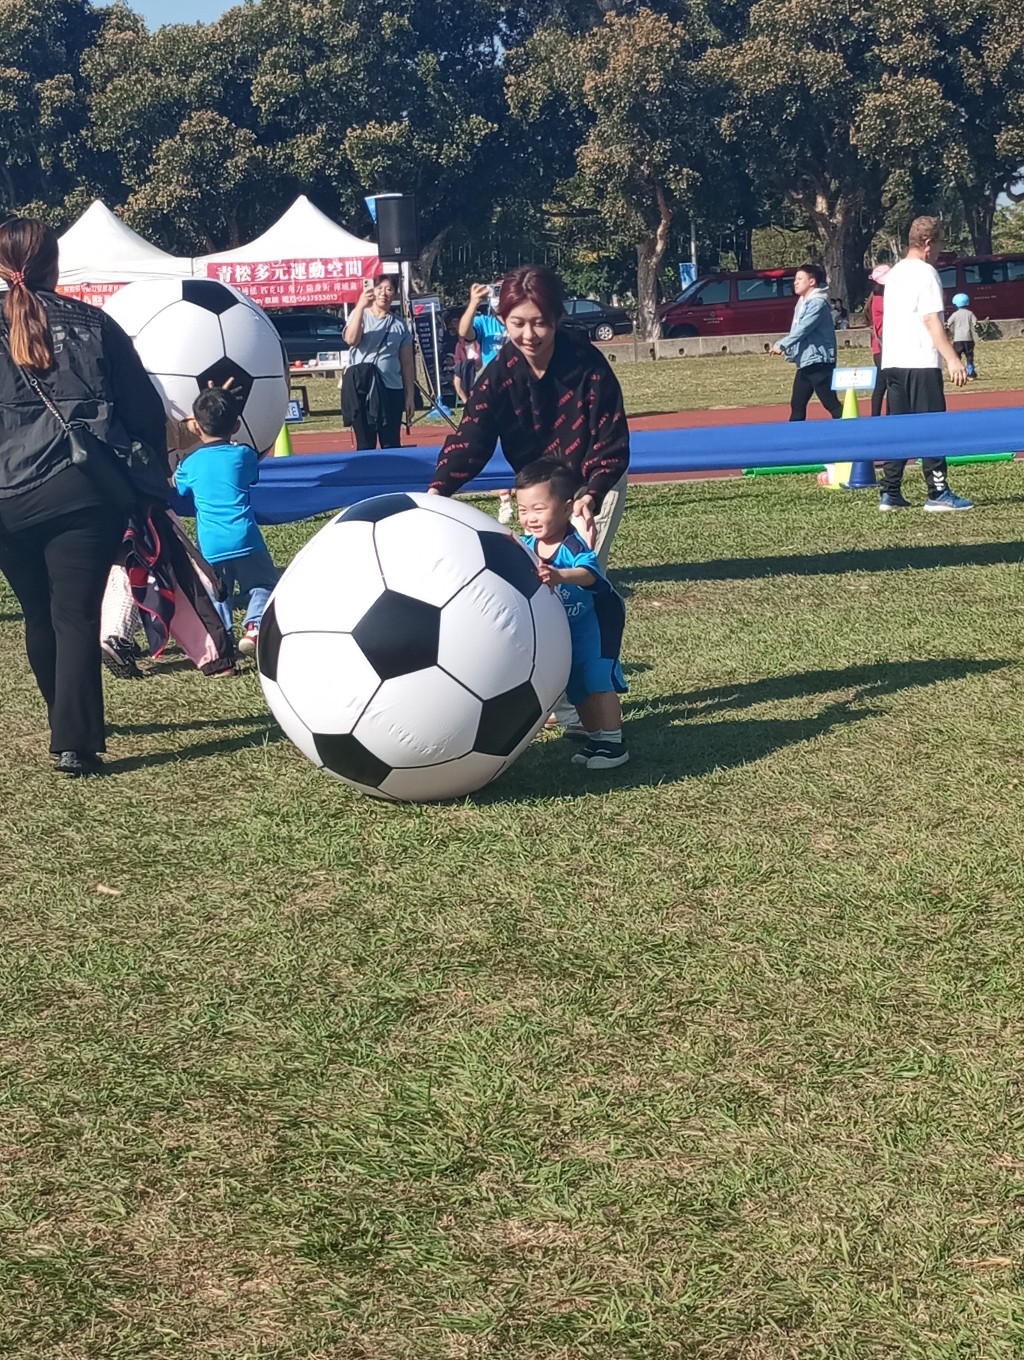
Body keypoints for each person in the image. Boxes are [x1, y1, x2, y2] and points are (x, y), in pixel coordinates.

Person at [0, 216, 169, 776]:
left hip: (5, 497)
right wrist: (147, 475)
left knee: (37, 611)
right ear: (55, 264)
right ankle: (74, 742)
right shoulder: (95, 324)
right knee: (74, 615)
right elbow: (143, 410)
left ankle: (63, 717)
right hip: (82, 488)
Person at [429, 265, 629, 569]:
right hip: (539, 489)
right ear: (502, 320)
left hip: (592, 481)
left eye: (539, 323)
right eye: (518, 323)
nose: (529, 335)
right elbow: (471, 437)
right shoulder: (499, 375)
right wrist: (438, 489)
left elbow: (610, 439)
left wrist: (591, 494)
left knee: (579, 577)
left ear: (557, 318)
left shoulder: (589, 365)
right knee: (539, 577)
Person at [515, 460, 628, 770]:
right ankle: (595, 738)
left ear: (566, 509)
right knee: (576, 685)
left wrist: (560, 576)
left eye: (538, 509)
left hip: (598, 623)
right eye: (523, 510)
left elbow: (590, 574)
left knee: (596, 679)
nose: (530, 518)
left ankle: (613, 743)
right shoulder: (527, 545)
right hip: (567, 630)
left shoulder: (572, 545)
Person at [173, 387, 279, 655]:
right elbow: (252, 476)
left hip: (210, 544)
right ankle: (254, 626)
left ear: (197, 428)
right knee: (264, 584)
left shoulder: (190, 463)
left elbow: (178, 486)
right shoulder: (244, 455)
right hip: (245, 537)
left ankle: (223, 642)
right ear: (237, 425)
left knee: (218, 594)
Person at [879, 216, 970, 511]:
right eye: (940, 243)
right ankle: (938, 492)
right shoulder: (926, 272)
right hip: (920, 361)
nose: (941, 251)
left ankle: (890, 492)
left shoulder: (894, 274)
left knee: (899, 428)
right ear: (928, 243)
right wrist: (952, 358)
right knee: (933, 427)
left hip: (894, 361)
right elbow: (931, 319)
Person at [458, 282, 512, 520]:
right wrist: (473, 302)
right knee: (494, 443)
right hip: (494, 389)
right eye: (496, 291)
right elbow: (464, 331)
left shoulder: (520, 320)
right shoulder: (485, 322)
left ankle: (526, 495)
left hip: (521, 387)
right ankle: (505, 499)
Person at [341, 275, 415, 449]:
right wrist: (360, 306)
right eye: (379, 288)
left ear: (395, 294)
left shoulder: (400, 325)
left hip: (391, 389)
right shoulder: (359, 315)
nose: (384, 293)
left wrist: (410, 396)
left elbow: (407, 363)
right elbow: (351, 340)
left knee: (391, 443)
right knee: (365, 444)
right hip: (363, 389)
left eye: (389, 289)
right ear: (372, 291)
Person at [771, 264, 843, 421]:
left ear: (812, 281)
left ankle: (853, 428)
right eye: (795, 279)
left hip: (819, 361)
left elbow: (804, 328)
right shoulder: (802, 302)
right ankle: (795, 434)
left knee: (830, 403)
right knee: (797, 404)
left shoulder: (817, 303)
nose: (795, 282)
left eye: (799, 279)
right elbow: (797, 328)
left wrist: (782, 344)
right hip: (806, 361)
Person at [866, 264, 890, 416]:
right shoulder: (881, 300)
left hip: (879, 348)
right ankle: (877, 415)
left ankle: (878, 414)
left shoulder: (876, 298)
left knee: (884, 384)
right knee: (884, 384)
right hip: (883, 348)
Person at [947, 292, 979, 379]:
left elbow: (948, 324)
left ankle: (957, 373)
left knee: (957, 357)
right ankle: (970, 373)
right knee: (969, 356)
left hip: (958, 340)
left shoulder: (955, 314)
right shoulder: (970, 313)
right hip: (968, 339)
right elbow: (975, 324)